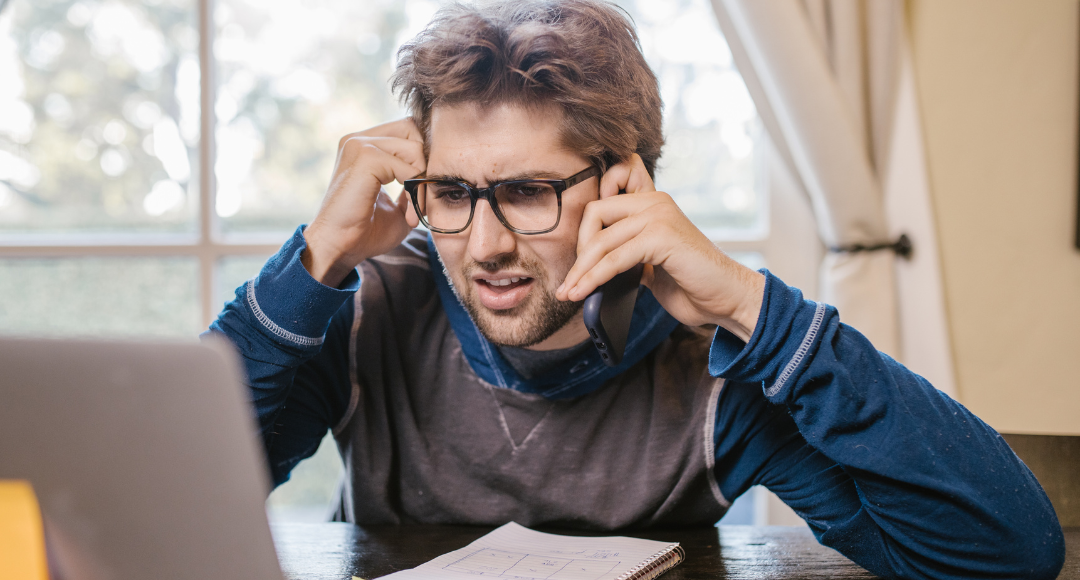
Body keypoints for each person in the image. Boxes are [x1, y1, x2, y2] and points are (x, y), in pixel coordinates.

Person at [207, 1, 1064, 578]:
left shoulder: (714, 368)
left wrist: (749, 307)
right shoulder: (362, 314)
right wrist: (313, 263)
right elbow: (176, 501)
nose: (487, 246)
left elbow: (1004, 553)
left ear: (626, 186)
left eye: (530, 192)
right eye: (456, 193)